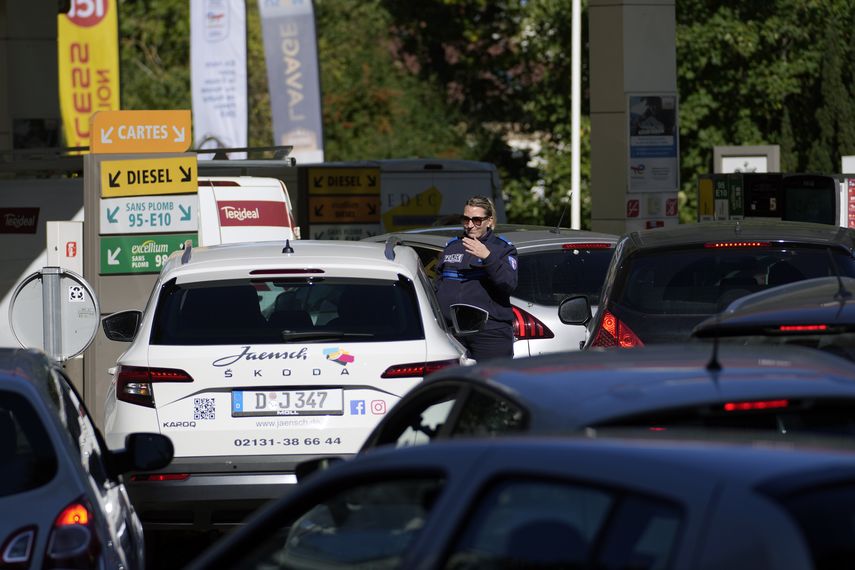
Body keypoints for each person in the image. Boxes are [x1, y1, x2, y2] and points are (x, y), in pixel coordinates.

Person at [435, 195, 518, 361]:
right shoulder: (452, 247)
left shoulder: (502, 249)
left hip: (490, 333)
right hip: (452, 332)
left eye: (477, 220)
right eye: (466, 219)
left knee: (492, 384)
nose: (470, 225)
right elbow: (438, 283)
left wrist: (487, 257)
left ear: (489, 221)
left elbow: (509, 283)